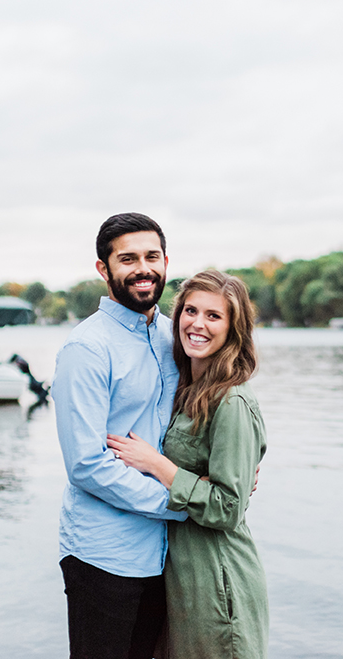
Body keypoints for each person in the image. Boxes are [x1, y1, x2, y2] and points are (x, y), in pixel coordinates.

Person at [108, 269, 269, 659]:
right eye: (191, 311)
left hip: (218, 581)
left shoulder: (231, 402)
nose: (198, 324)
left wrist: (158, 465)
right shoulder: (187, 389)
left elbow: (228, 508)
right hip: (181, 581)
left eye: (214, 316)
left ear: (234, 328)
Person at [50, 212, 187, 659]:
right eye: (127, 259)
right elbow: (86, 464)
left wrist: (235, 468)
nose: (142, 269)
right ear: (103, 268)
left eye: (151, 256)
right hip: (104, 554)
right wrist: (186, 503)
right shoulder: (87, 348)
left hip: (166, 557)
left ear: (166, 261)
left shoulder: (176, 335)